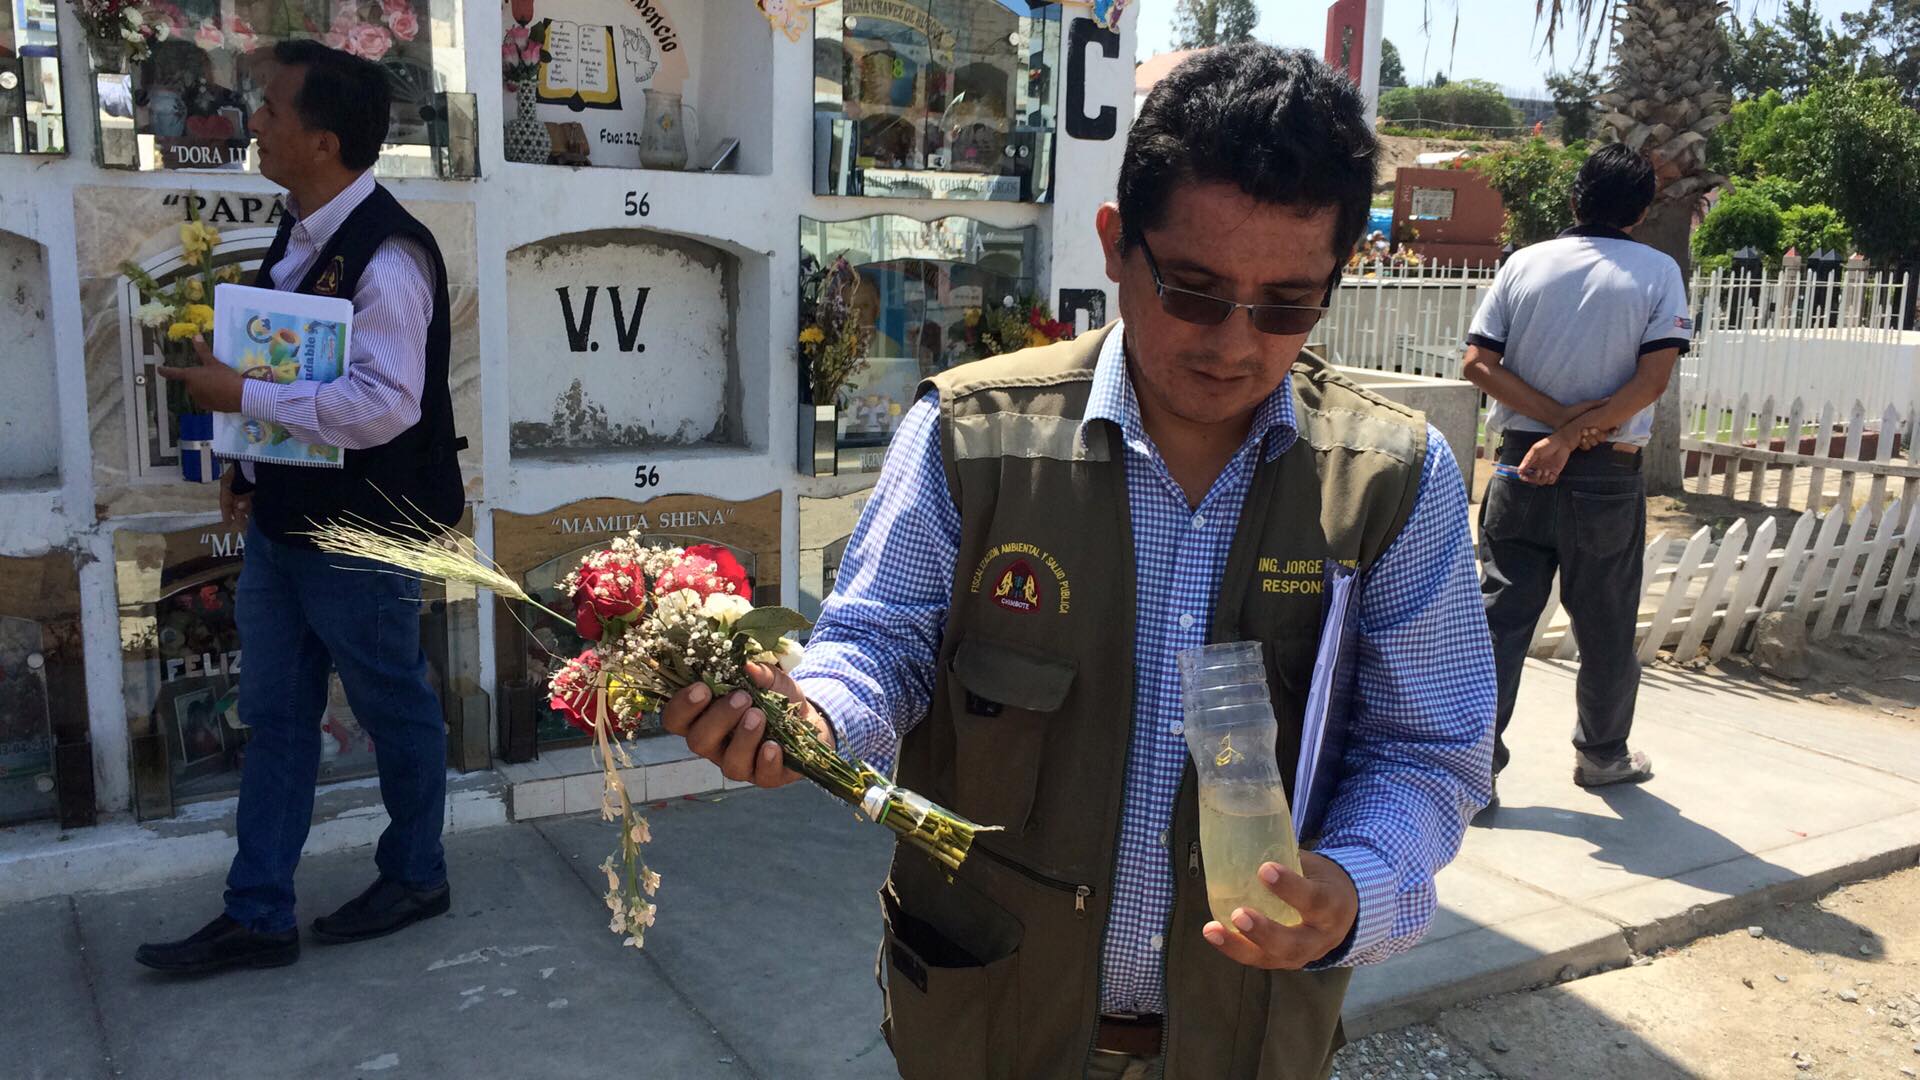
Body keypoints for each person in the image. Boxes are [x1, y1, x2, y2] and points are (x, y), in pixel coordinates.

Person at [662, 45, 1495, 1080]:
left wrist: (1355, 883)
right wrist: (815, 718)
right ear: (1115, 245)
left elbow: (1429, 749)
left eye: (1288, 304)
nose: (1235, 344)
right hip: (990, 1029)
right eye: (1192, 290)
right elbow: (881, 644)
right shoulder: (973, 438)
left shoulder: (1387, 483)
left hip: (1246, 1044)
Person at [136, 39, 465, 974]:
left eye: (272, 108)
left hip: (367, 530)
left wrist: (242, 401)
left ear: (322, 140)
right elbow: (301, 371)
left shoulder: (389, 254)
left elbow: (381, 405)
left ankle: (417, 873)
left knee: (393, 705)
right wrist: (250, 459)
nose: (256, 120)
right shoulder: (301, 228)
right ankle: (259, 912)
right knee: (275, 715)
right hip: (287, 526)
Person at [1461, 143, 1693, 810]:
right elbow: (1651, 381)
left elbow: (1477, 364)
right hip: (1605, 476)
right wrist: (1573, 434)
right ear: (1643, 209)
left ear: (1574, 198)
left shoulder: (1524, 264)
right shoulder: (1657, 272)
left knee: (1499, 622)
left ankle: (1477, 774)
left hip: (1516, 465)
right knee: (1606, 622)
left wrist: (1553, 427)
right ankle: (1602, 755)